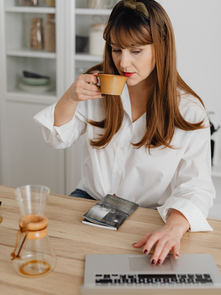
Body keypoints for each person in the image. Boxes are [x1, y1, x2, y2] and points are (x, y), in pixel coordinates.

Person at [34, 0, 215, 266]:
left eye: (136, 51)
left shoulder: (188, 110)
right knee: (54, 261)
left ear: (161, 48)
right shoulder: (97, 86)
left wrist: (173, 227)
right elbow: (56, 138)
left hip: (148, 213)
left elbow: (197, 187)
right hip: (89, 202)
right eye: (116, 50)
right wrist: (70, 97)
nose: (123, 61)